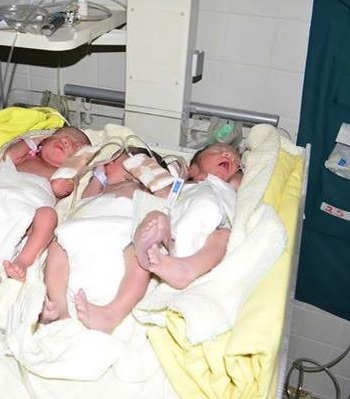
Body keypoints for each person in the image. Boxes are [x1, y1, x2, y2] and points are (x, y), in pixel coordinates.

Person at [74, 142, 242, 332]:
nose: (228, 155)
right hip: (174, 234)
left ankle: (187, 268)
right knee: (155, 218)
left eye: (235, 159)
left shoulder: (228, 185)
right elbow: (160, 193)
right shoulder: (179, 186)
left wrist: (239, 169)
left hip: (211, 231)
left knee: (224, 236)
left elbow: (242, 178)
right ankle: (145, 252)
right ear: (192, 169)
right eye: (218, 151)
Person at [0, 126, 91, 300]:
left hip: (27, 216)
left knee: (48, 216)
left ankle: (23, 261)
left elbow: (59, 187)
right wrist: (37, 139)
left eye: (74, 145)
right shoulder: (25, 158)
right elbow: (9, 154)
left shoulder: (60, 177)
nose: (65, 141)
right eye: (60, 136)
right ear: (43, 142)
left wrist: (76, 162)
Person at [39, 147, 164, 326]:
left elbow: (165, 197)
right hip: (82, 231)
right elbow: (85, 201)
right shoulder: (104, 189)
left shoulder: (143, 190)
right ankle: (59, 304)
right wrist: (97, 178)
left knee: (139, 255)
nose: (107, 163)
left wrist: (150, 176)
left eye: (113, 161)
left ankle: (113, 312)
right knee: (58, 247)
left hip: (121, 231)